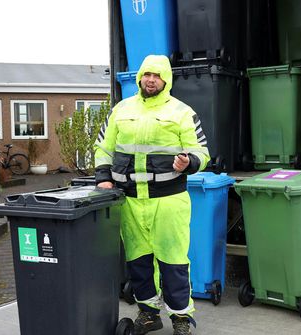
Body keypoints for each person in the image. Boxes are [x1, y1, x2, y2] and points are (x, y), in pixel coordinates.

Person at [94, 55, 210, 335]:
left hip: (168, 201)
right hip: (130, 201)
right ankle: (148, 314)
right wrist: (104, 179)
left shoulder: (182, 112)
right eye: (146, 74)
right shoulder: (121, 110)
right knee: (138, 262)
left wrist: (189, 163)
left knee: (173, 262)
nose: (150, 80)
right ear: (139, 78)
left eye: (157, 75)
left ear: (166, 79)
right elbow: (103, 148)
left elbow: (202, 152)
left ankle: (181, 318)